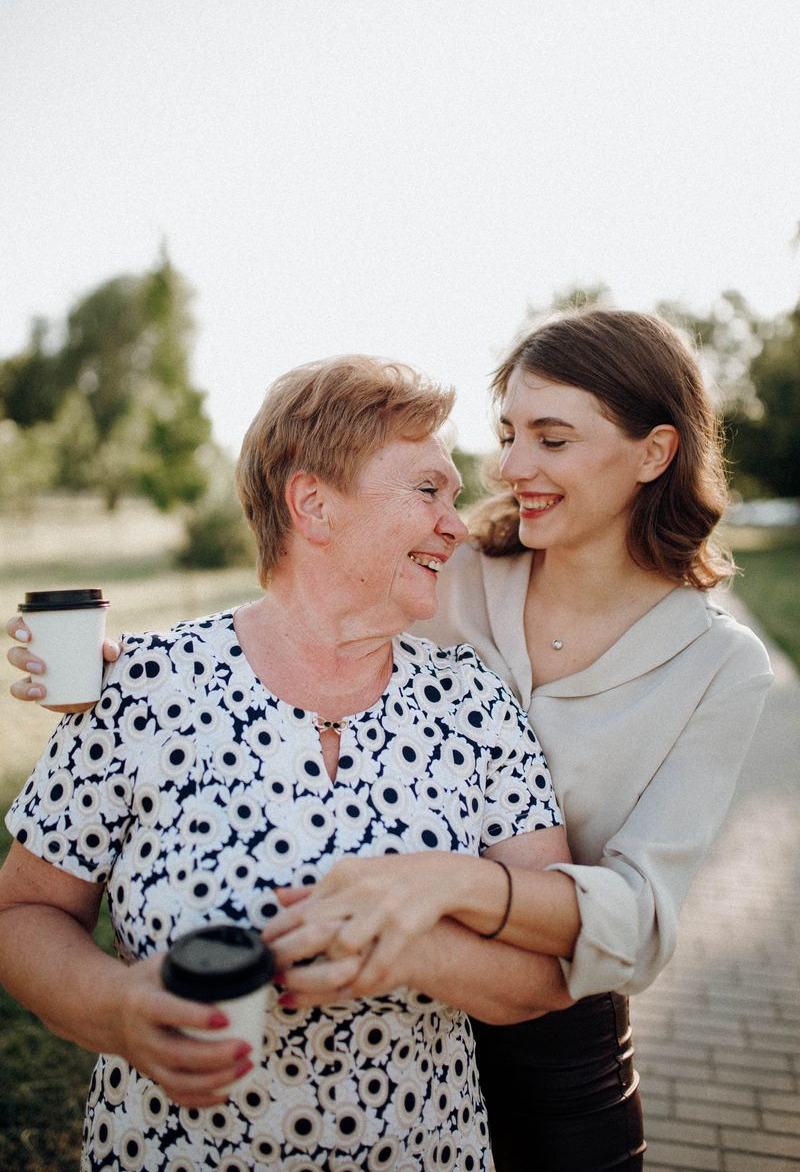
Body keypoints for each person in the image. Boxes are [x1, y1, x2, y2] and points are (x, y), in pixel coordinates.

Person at [5, 310, 774, 1172]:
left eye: (552, 439)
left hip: (556, 1031)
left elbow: (629, 924)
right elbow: (311, 608)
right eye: (508, 435)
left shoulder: (709, 665)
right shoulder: (459, 572)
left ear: (652, 453)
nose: (507, 472)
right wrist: (126, 673)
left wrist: (430, 906)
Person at [0, 355, 576, 1172]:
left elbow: (549, 972)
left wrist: (410, 949)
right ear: (313, 503)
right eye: (427, 491)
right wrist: (116, 1009)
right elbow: (22, 915)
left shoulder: (472, 701)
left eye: (453, 495)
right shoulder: (145, 683)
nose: (458, 523)